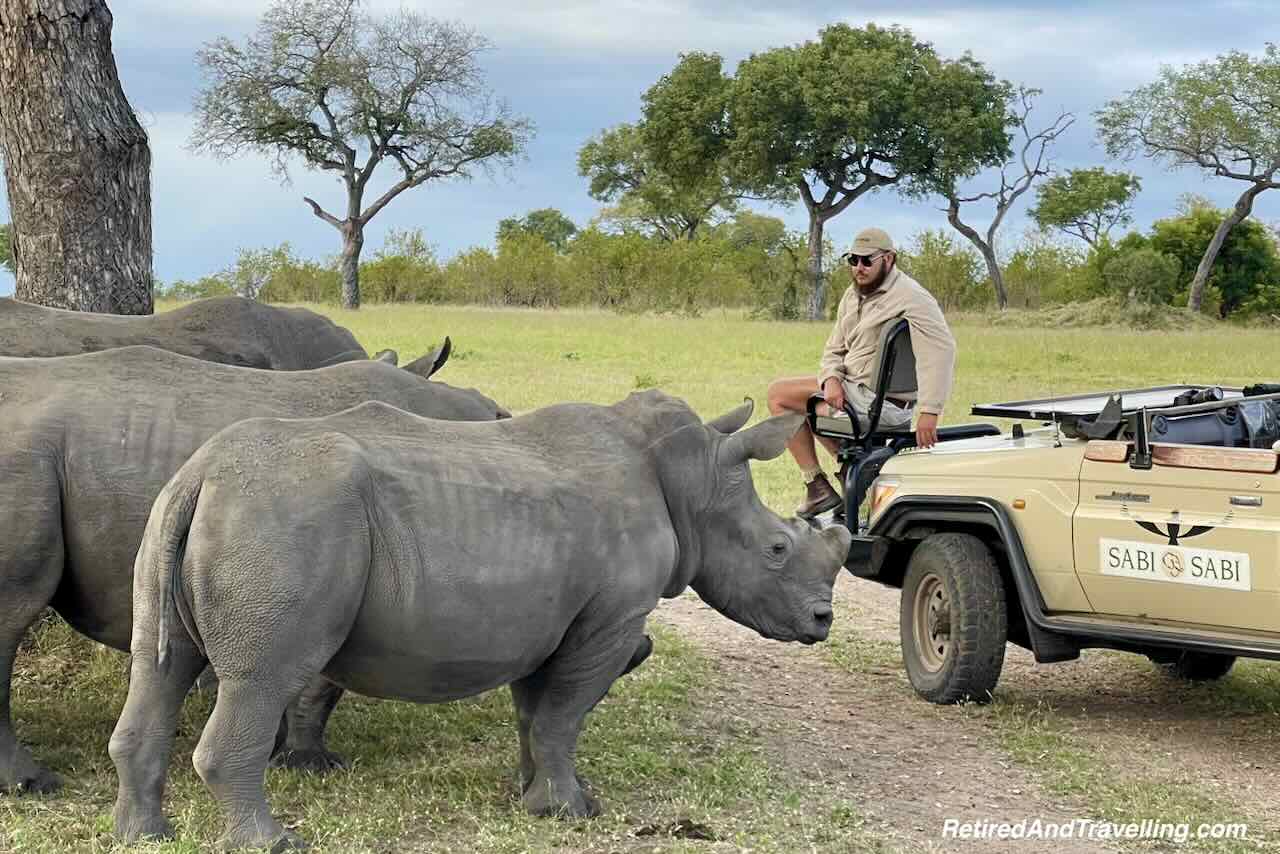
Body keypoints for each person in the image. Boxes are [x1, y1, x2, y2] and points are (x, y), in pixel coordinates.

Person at [767, 227, 957, 518]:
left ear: (889, 259)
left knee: (779, 396)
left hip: (878, 405)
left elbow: (941, 350)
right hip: (855, 394)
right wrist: (830, 379)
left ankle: (818, 486)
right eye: (853, 260)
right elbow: (834, 348)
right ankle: (847, 473)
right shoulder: (853, 294)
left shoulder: (912, 297)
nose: (859, 268)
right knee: (805, 403)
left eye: (868, 261)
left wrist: (930, 411)